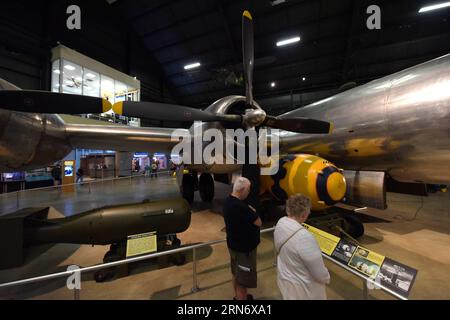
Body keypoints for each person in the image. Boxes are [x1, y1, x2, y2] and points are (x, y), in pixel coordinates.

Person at [274, 194, 330, 300]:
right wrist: (327, 277)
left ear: (288, 210)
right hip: (303, 291)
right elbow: (319, 273)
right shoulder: (304, 238)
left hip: (286, 282)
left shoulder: (280, 223)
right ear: (304, 215)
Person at [223, 177, 262, 300]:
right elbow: (259, 222)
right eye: (248, 190)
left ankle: (238, 297)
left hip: (234, 246)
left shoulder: (228, 201)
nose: (249, 192)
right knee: (243, 280)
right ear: (243, 190)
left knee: (237, 273)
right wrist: (252, 211)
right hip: (244, 250)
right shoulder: (241, 207)